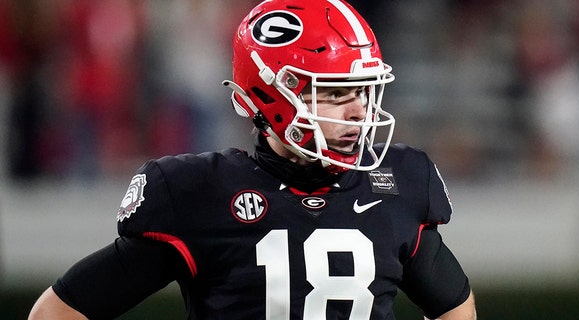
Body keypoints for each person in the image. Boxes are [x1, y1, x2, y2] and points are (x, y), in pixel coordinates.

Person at [28, 0, 476, 319]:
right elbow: (57, 313)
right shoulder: (199, 192)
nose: (359, 110)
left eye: (362, 90)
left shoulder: (399, 182)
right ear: (270, 97)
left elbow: (454, 306)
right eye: (335, 92)